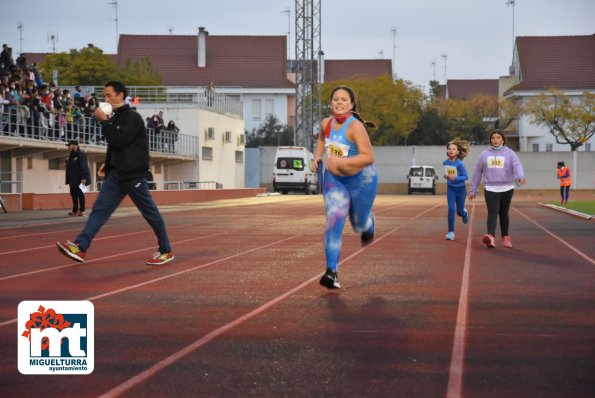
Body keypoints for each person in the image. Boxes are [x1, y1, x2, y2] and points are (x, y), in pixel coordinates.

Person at [56, 80, 174, 266]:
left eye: (109, 95)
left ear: (120, 95)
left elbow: (119, 140)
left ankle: (165, 249)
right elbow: (115, 144)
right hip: (116, 175)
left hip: (134, 175)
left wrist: (104, 121)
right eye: (105, 95)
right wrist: (108, 162)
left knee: (150, 213)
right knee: (100, 210)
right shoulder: (117, 117)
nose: (106, 98)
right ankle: (80, 246)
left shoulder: (132, 117)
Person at [311, 85, 378, 289]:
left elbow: (368, 157)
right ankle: (332, 272)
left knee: (358, 223)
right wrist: (317, 157)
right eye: (335, 99)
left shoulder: (355, 127)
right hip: (334, 181)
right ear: (331, 103)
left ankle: (368, 224)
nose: (339, 102)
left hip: (362, 182)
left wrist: (341, 163)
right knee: (334, 219)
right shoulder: (325, 123)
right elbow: (322, 139)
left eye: (344, 99)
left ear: (351, 104)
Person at [469, 130, 526, 249]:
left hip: (507, 187)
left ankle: (505, 237)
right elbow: (478, 172)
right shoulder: (484, 154)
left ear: (503, 140)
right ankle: (490, 237)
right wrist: (473, 190)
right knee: (492, 211)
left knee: (503, 212)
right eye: (493, 138)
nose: (495, 140)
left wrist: (519, 176)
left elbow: (517, 165)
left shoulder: (510, 153)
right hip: (490, 187)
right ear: (490, 140)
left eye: (498, 137)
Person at [443, 139, 470, 241]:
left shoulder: (460, 164)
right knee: (451, 209)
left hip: (461, 190)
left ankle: (464, 213)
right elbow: (448, 173)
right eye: (449, 148)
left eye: (454, 149)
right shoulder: (445, 162)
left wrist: (456, 178)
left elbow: (466, 177)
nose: (451, 150)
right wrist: (446, 176)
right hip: (451, 189)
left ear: (457, 152)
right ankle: (451, 232)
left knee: (459, 212)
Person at [65, 140, 90, 216]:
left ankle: (82, 211)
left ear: (75, 145)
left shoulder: (81, 154)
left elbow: (84, 167)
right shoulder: (70, 156)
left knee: (81, 194)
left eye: (69, 145)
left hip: (81, 179)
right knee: (73, 195)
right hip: (72, 180)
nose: (68, 147)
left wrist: (84, 178)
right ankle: (75, 211)